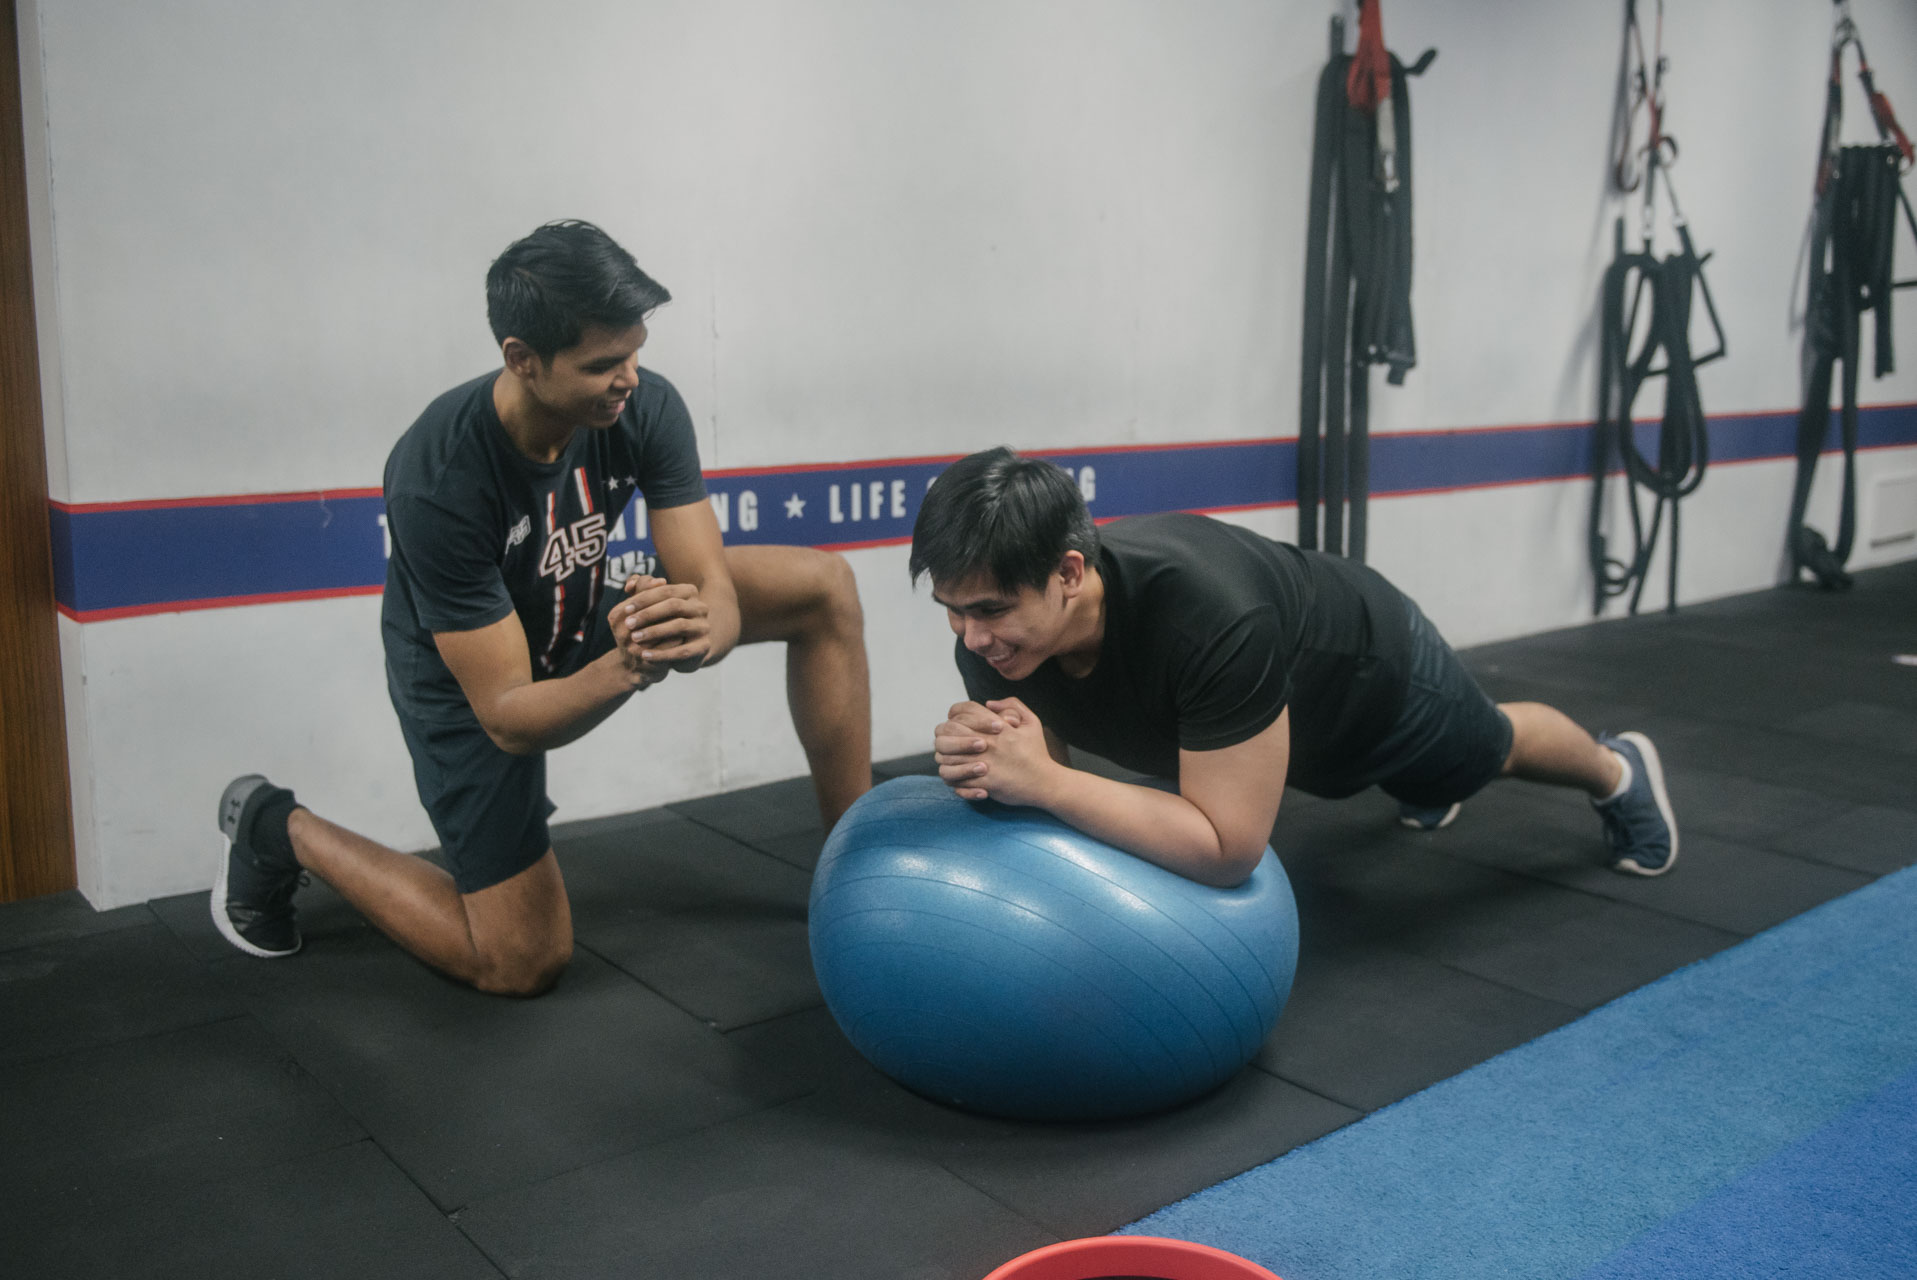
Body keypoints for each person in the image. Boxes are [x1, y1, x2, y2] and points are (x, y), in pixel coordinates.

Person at [211, 220, 871, 995]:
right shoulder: (439, 477)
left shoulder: (641, 406)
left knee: (823, 586)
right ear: (522, 360)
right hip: (473, 674)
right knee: (520, 960)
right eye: (602, 365)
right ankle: (277, 827)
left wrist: (699, 629)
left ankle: (854, 875)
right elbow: (509, 718)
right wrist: (632, 664)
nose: (628, 379)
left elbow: (710, 584)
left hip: (584, 601)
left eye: (634, 354)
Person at [911, 447, 1675, 889]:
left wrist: (1042, 779)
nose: (971, 638)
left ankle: (1617, 770)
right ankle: (1421, 781)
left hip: (1371, 676)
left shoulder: (1207, 618)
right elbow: (1046, 795)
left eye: (988, 609)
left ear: (1069, 573)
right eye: (951, 608)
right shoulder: (994, 640)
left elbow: (1226, 852)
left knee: (1484, 752)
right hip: (1266, 728)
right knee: (1353, 778)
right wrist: (991, 760)